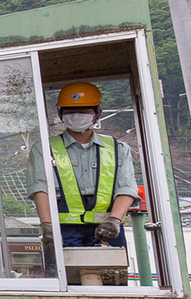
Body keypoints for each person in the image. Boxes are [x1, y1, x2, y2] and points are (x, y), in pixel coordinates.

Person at [27, 82, 140, 256]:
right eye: (70, 111)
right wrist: (47, 226)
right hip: (63, 231)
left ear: (97, 113)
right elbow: (40, 188)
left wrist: (114, 221)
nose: (76, 116)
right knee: (66, 280)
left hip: (107, 230)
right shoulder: (44, 149)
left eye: (84, 111)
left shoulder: (118, 148)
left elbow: (126, 188)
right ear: (60, 114)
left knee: (111, 278)